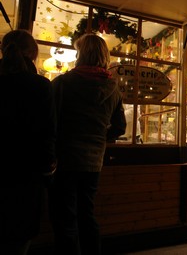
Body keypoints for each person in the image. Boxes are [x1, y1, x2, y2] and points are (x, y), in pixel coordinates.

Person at [49, 33, 126, 255]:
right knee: (86, 214)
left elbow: (50, 121)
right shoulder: (113, 89)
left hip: (64, 160)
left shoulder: (62, 83)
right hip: (93, 162)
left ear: (81, 54)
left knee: (65, 218)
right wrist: (100, 136)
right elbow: (120, 127)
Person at [0, 29, 57, 254]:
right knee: (19, 238)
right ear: (33, 54)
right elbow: (47, 135)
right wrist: (48, 171)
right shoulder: (41, 86)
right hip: (26, 174)